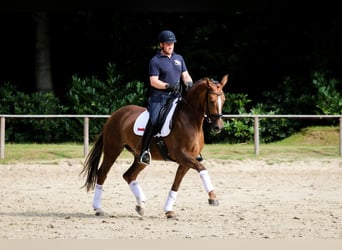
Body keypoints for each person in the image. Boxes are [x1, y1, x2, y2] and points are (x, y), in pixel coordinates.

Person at [139, 30, 194, 165]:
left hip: (175, 96)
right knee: (154, 120)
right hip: (159, 98)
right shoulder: (155, 61)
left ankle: (193, 149)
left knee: (188, 118)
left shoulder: (179, 58)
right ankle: (144, 151)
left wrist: (190, 85)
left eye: (172, 44)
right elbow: (153, 81)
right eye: (168, 44)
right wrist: (167, 86)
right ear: (161, 45)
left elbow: (185, 76)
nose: (171, 46)